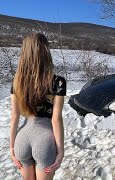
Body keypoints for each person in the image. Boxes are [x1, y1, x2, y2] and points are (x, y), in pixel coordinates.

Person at [10, 33, 66, 180]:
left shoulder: (17, 82)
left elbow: (14, 117)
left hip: (22, 139)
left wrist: (11, 148)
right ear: (45, 51)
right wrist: (61, 151)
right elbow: (56, 120)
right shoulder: (58, 82)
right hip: (45, 140)